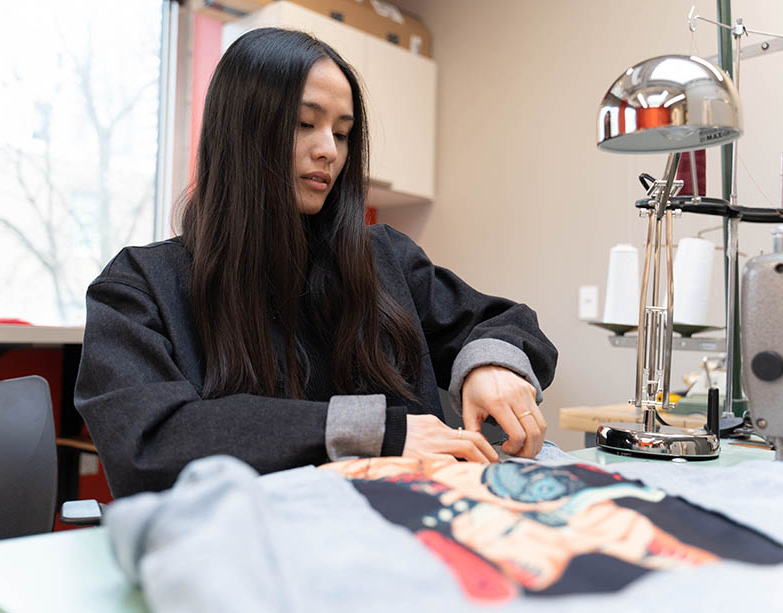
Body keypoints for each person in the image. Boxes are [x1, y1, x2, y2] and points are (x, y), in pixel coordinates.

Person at [74, 28, 558, 499]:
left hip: (411, 539)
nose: (329, 149)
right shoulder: (138, 288)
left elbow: (504, 321)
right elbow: (149, 442)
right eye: (305, 124)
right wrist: (375, 431)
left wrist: (491, 365)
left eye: (342, 133)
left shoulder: (383, 258)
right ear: (241, 128)